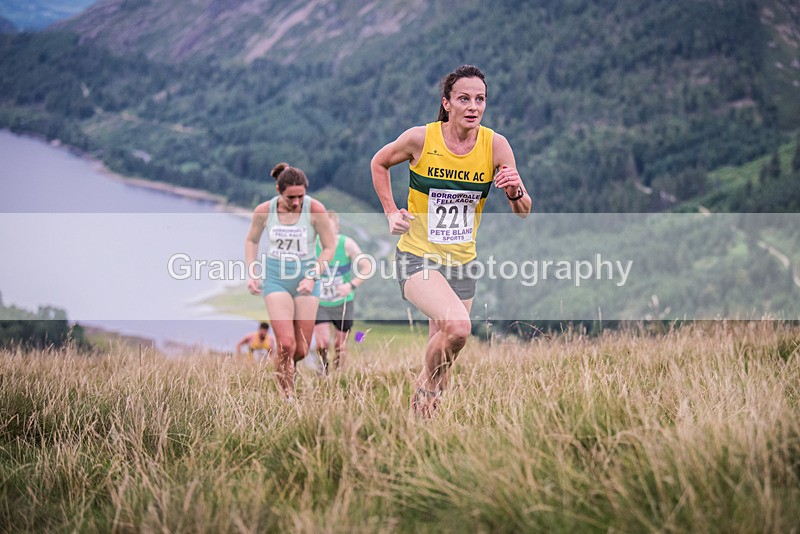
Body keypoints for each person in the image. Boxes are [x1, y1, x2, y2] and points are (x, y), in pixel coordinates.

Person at [370, 64, 532, 416]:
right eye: (464, 99)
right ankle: (422, 392)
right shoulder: (421, 139)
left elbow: (523, 210)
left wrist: (515, 189)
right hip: (417, 256)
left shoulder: (495, 146)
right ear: (446, 103)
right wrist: (390, 212)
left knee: (444, 357)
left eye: (480, 99)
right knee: (458, 329)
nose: (473, 106)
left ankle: (423, 429)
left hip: (461, 262)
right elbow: (379, 163)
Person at [245, 162, 336, 401]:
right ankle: (287, 398)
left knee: (301, 349)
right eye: (290, 197)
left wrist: (312, 276)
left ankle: (284, 366)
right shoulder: (264, 211)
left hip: (307, 278)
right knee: (286, 344)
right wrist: (252, 272)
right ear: (278, 190)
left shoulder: (315, 209)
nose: (296, 202)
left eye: (300, 196)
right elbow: (252, 241)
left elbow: (329, 247)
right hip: (276, 278)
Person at [312, 210, 370, 374]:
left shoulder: (346, 244)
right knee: (322, 343)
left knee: (340, 346)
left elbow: (367, 266)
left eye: (331, 229)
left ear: (337, 228)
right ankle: (323, 371)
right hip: (320, 303)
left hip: (343, 302)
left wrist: (351, 285)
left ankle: (338, 374)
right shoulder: (312, 245)